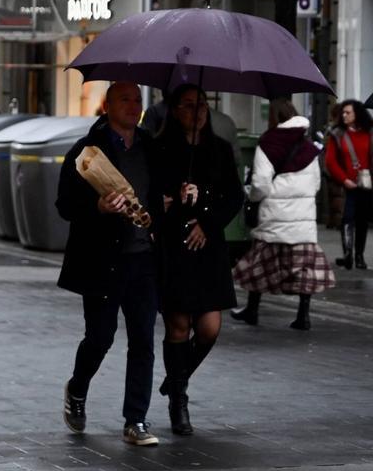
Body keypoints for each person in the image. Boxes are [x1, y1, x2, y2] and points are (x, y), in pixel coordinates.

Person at [57, 82, 162, 446]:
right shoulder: (86, 151)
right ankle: (77, 386)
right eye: (125, 100)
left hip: (143, 260)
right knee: (100, 337)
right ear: (108, 106)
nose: (134, 106)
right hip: (103, 261)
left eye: (138, 100)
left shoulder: (152, 147)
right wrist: (97, 207)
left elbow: (159, 195)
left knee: (143, 340)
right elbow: (64, 205)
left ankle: (136, 420)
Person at [152, 84, 243, 436]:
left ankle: (176, 377)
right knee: (178, 326)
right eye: (189, 105)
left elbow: (234, 196)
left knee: (209, 328)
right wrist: (174, 196)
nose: (198, 111)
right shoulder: (160, 148)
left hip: (208, 247)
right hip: (174, 245)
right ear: (175, 110)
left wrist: (207, 217)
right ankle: (179, 401)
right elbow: (150, 194)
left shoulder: (219, 149)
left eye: (202, 105)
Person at [231, 101, 335, 330]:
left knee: (259, 263)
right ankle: (303, 316)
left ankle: (252, 310)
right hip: (302, 218)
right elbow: (316, 183)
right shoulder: (309, 147)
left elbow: (261, 184)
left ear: (274, 118)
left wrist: (252, 196)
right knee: (304, 267)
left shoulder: (268, 143)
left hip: (274, 216)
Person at [323, 99, 373, 269]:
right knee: (347, 218)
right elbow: (330, 161)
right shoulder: (337, 134)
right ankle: (348, 254)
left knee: (362, 220)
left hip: (366, 184)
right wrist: (344, 179)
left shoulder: (369, 132)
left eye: (348, 112)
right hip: (346, 185)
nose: (344, 115)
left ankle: (359, 256)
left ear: (357, 114)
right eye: (343, 113)